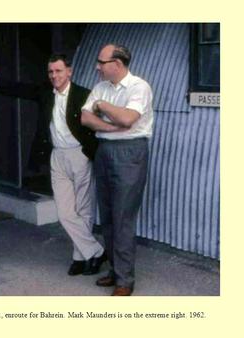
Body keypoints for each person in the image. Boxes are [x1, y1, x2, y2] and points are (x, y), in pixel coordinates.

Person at [0, 54, 107, 276]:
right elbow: (20, 89)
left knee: (83, 211)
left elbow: (98, 125)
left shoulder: (85, 94)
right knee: (65, 212)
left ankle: (80, 257)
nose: (54, 75)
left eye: (58, 71)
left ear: (69, 71)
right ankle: (96, 251)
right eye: (51, 72)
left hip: (80, 155)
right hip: (57, 156)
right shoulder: (46, 92)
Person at [81, 44, 153, 296]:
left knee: (122, 217)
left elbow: (128, 119)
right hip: (105, 150)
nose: (97, 67)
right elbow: (85, 119)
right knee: (108, 216)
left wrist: (101, 106)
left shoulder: (138, 87)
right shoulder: (100, 87)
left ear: (118, 64)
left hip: (130, 152)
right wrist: (110, 126)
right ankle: (115, 271)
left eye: (101, 62)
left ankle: (125, 280)